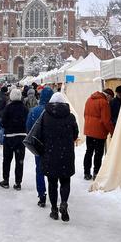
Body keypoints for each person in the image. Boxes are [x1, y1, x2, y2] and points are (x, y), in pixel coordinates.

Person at [35, 92, 78, 221]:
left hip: (50, 153)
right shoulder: (70, 117)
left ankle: (54, 209)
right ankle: (64, 202)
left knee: (52, 182)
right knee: (65, 180)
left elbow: (39, 135)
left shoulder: (45, 117)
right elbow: (75, 134)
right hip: (66, 154)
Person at [26, 86, 53, 207]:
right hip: (52, 145)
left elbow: (28, 128)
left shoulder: (34, 111)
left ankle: (42, 195)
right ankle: (54, 193)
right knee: (53, 170)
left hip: (38, 145)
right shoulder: (53, 111)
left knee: (39, 170)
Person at [83, 89, 114, 180]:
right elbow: (106, 120)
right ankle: (96, 172)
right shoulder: (104, 103)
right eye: (110, 98)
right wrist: (112, 131)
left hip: (89, 131)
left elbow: (85, 114)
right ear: (108, 95)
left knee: (89, 152)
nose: (109, 101)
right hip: (99, 132)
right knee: (98, 153)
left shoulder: (89, 99)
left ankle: (86, 172)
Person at [0, 88, 27, 190]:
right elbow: (27, 122)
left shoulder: (8, 108)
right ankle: (18, 183)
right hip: (21, 137)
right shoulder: (24, 108)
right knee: (19, 161)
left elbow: (3, 123)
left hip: (9, 137)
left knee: (7, 160)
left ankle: (6, 180)